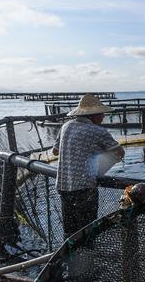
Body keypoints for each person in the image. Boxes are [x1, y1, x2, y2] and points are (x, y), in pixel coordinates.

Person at [53, 94, 125, 236]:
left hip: (63, 186)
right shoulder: (98, 131)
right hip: (84, 188)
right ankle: (88, 254)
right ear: (94, 115)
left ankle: (70, 256)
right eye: (101, 113)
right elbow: (120, 153)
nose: (104, 116)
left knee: (70, 230)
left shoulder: (66, 126)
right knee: (87, 229)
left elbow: (55, 152)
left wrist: (81, 149)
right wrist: (99, 161)